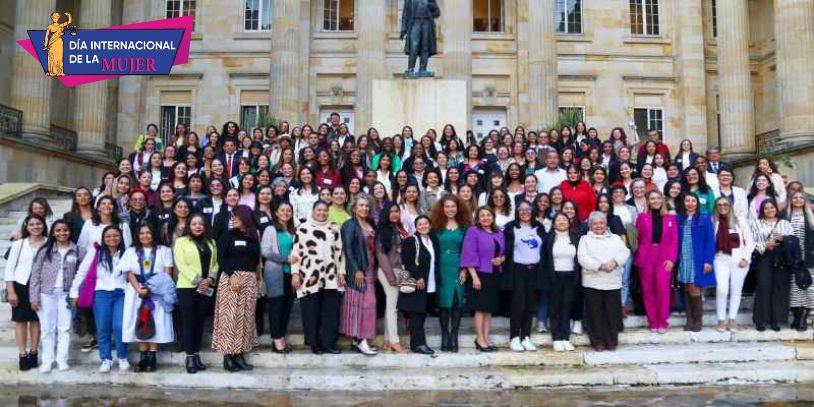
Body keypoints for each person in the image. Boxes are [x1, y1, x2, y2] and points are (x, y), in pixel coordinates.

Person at [69, 225, 128, 373]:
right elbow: (81, 272)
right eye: (108, 236)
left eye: (115, 235)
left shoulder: (127, 253)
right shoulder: (96, 252)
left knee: (120, 326)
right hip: (101, 293)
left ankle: (122, 357)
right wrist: (74, 291)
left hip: (121, 293)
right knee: (103, 327)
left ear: (121, 237)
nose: (112, 238)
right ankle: (106, 359)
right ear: (103, 238)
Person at [118, 223, 175, 372]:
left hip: (157, 291)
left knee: (156, 321)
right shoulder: (131, 251)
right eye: (142, 233)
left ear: (154, 234)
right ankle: (143, 358)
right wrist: (138, 289)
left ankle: (152, 359)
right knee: (140, 320)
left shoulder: (164, 250)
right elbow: (128, 272)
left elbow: (167, 272)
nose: (145, 236)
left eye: (148, 233)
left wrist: (151, 288)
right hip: (136, 291)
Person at [292, 201, 345, 354]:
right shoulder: (303, 228)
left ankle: (328, 343)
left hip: (331, 276)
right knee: (311, 311)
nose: (322, 213)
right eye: (319, 210)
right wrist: (295, 273)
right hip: (309, 277)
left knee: (331, 312)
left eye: (324, 210)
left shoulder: (335, 228)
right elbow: (295, 253)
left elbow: (340, 252)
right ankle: (314, 343)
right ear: (313, 211)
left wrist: (342, 271)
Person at [213, 205, 260, 371]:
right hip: (231, 279)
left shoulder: (254, 237)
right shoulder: (228, 235)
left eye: (236, 216)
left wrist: (255, 278)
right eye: (232, 216)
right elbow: (221, 257)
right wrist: (231, 274)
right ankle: (228, 357)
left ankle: (240, 355)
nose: (233, 219)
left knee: (245, 319)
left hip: (249, 280)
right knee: (230, 318)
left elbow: (256, 260)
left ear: (245, 217)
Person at [28, 220, 79, 373]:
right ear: (53, 233)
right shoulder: (45, 250)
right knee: (47, 329)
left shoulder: (77, 250)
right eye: (58, 230)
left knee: (64, 328)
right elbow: (35, 275)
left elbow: (80, 274)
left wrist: (76, 294)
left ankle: (62, 360)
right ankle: (47, 361)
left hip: (67, 295)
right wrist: (33, 297)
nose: (62, 233)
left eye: (65, 230)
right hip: (46, 294)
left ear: (70, 231)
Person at [578, 211, 631, 352]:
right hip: (592, 282)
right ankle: (597, 342)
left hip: (612, 282)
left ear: (606, 224)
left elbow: (625, 252)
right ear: (590, 225)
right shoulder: (584, 239)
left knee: (612, 313)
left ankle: (611, 341)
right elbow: (582, 257)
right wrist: (600, 266)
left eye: (601, 223)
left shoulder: (615, 238)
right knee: (595, 314)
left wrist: (614, 262)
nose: (598, 226)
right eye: (595, 223)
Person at [174, 213, 218, 373]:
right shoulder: (181, 242)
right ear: (189, 226)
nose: (198, 226)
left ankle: (197, 354)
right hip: (187, 288)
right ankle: (189, 356)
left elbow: (215, 262)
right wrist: (199, 279)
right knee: (189, 322)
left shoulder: (211, 242)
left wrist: (210, 279)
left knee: (200, 322)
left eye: (201, 224)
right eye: (194, 224)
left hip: (206, 287)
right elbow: (181, 264)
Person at [503, 201, 546, 352]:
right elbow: (505, 249)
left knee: (530, 305)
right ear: (517, 212)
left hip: (535, 271)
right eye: (521, 210)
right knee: (517, 304)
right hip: (518, 271)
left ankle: (525, 337)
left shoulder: (539, 227)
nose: (525, 212)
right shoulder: (511, 227)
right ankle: (514, 337)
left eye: (528, 209)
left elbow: (544, 248)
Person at [461, 206, 506, 352]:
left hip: (495, 274)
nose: (486, 218)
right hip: (480, 274)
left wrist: (502, 259)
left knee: (489, 309)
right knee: (480, 308)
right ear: (478, 218)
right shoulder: (473, 231)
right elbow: (469, 254)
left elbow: (505, 252)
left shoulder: (498, 232)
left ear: (493, 216)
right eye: (482, 216)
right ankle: (479, 338)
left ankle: (486, 337)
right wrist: (474, 277)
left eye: (488, 215)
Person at [5, 215, 46, 371]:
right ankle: (22, 354)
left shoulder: (49, 243)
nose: (36, 227)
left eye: (38, 224)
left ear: (43, 225)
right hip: (21, 284)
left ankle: (34, 351)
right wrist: (11, 291)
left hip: (41, 286)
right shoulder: (19, 244)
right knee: (21, 320)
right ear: (27, 227)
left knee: (36, 320)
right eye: (32, 224)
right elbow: (10, 268)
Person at [429, 195, 469, 353]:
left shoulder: (465, 226)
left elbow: (468, 250)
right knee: (444, 303)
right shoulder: (436, 225)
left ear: (458, 208)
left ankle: (454, 335)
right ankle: (445, 334)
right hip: (441, 266)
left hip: (459, 266)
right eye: (447, 207)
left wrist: (465, 269)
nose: (450, 210)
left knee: (456, 302)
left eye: (453, 206)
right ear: (442, 208)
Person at [339, 196, 378, 355]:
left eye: (367, 206)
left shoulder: (370, 224)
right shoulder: (349, 225)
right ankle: (362, 340)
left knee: (363, 304)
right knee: (368, 304)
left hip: (371, 268)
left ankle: (357, 340)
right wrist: (356, 270)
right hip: (359, 269)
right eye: (361, 205)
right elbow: (348, 249)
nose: (364, 208)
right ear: (354, 208)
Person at [635, 190, 679, 333]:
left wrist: (672, 259)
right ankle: (652, 321)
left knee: (662, 289)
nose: (655, 201)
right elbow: (638, 237)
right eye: (652, 198)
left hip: (664, 256)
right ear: (648, 201)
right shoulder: (642, 217)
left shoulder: (670, 218)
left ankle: (662, 321)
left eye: (658, 198)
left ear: (662, 200)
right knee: (648, 290)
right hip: (646, 256)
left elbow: (674, 241)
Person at [751, 199, 794, 331]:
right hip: (764, 257)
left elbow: (793, 240)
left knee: (779, 288)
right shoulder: (756, 223)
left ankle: (775, 320)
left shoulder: (785, 223)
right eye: (766, 208)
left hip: (781, 258)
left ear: (776, 209)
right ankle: (761, 320)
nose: (769, 210)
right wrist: (765, 245)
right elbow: (752, 242)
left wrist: (783, 239)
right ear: (762, 211)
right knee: (763, 286)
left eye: (772, 207)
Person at [399, 216, 440, 354]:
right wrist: (418, 277)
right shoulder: (412, 240)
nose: (423, 226)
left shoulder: (432, 240)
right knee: (417, 313)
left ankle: (415, 343)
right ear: (416, 227)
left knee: (422, 314)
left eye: (426, 223)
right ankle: (419, 344)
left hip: (431, 283)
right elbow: (407, 260)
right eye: (420, 224)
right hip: (419, 282)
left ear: (430, 225)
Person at [712, 197, 754, 332]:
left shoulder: (739, 221)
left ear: (730, 205)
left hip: (738, 259)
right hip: (720, 258)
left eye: (725, 204)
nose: (722, 207)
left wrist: (746, 258)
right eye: (719, 205)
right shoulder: (714, 221)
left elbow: (750, 242)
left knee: (736, 290)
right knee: (722, 289)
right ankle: (721, 319)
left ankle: (732, 319)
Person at [260, 201, 297, 354]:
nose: (285, 213)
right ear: (276, 212)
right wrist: (285, 259)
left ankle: (281, 336)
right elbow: (265, 252)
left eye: (288, 210)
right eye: (282, 210)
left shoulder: (293, 230)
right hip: (275, 273)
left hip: (291, 273)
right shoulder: (270, 229)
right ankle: (277, 340)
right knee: (276, 307)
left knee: (287, 307)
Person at [676, 194, 715, 332]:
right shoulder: (679, 219)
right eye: (687, 200)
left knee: (694, 287)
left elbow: (710, 241)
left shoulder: (704, 218)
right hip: (683, 258)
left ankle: (698, 320)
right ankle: (689, 319)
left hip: (697, 258)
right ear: (683, 202)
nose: (690, 203)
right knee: (686, 287)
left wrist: (708, 261)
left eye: (693, 201)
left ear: (697, 203)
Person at [375, 202, 409, 353]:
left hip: (400, 270)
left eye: (397, 211)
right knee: (393, 307)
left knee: (391, 305)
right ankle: (395, 341)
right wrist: (390, 277)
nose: (395, 214)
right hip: (388, 271)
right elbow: (381, 255)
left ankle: (388, 340)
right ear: (386, 214)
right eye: (392, 211)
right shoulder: (383, 231)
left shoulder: (400, 229)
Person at [787, 191, 814, 331]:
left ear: (805, 200)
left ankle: (804, 316)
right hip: (792, 259)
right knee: (794, 289)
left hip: (808, 258)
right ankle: (797, 317)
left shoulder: (810, 217)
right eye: (795, 197)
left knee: (809, 288)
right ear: (791, 200)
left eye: (801, 198)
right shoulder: (786, 216)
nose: (798, 200)